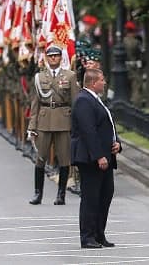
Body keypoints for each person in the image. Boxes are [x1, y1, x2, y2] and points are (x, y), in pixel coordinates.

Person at [71, 68, 121, 249]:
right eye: (102, 80)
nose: (105, 82)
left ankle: (99, 234)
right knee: (91, 198)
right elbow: (88, 131)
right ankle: (87, 237)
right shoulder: (84, 100)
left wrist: (117, 143)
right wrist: (99, 155)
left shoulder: (96, 100)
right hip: (91, 159)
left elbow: (107, 125)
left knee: (105, 194)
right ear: (93, 83)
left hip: (105, 156)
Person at [27, 44, 78, 205]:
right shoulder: (39, 77)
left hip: (63, 121)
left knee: (64, 160)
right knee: (40, 158)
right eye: (50, 56)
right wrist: (31, 126)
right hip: (44, 121)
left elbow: (75, 102)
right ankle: (37, 194)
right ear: (46, 58)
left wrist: (76, 125)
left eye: (56, 55)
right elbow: (34, 104)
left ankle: (61, 194)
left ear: (61, 57)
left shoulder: (70, 76)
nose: (53, 58)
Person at [123, 21, 144, 108]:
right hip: (135, 66)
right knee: (136, 87)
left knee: (126, 87)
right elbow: (140, 54)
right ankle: (136, 107)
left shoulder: (122, 41)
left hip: (124, 66)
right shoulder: (136, 42)